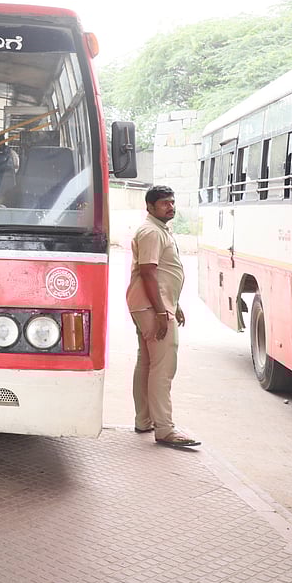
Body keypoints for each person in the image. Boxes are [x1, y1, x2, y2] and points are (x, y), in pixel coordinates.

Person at [127, 185, 200, 448]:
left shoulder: (158, 230)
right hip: (152, 308)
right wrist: (161, 311)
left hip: (153, 305)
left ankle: (144, 420)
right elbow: (148, 272)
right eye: (164, 204)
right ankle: (165, 429)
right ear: (150, 206)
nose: (171, 207)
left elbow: (164, 272)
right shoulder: (150, 232)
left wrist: (174, 303)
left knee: (147, 363)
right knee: (163, 367)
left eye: (171, 202)